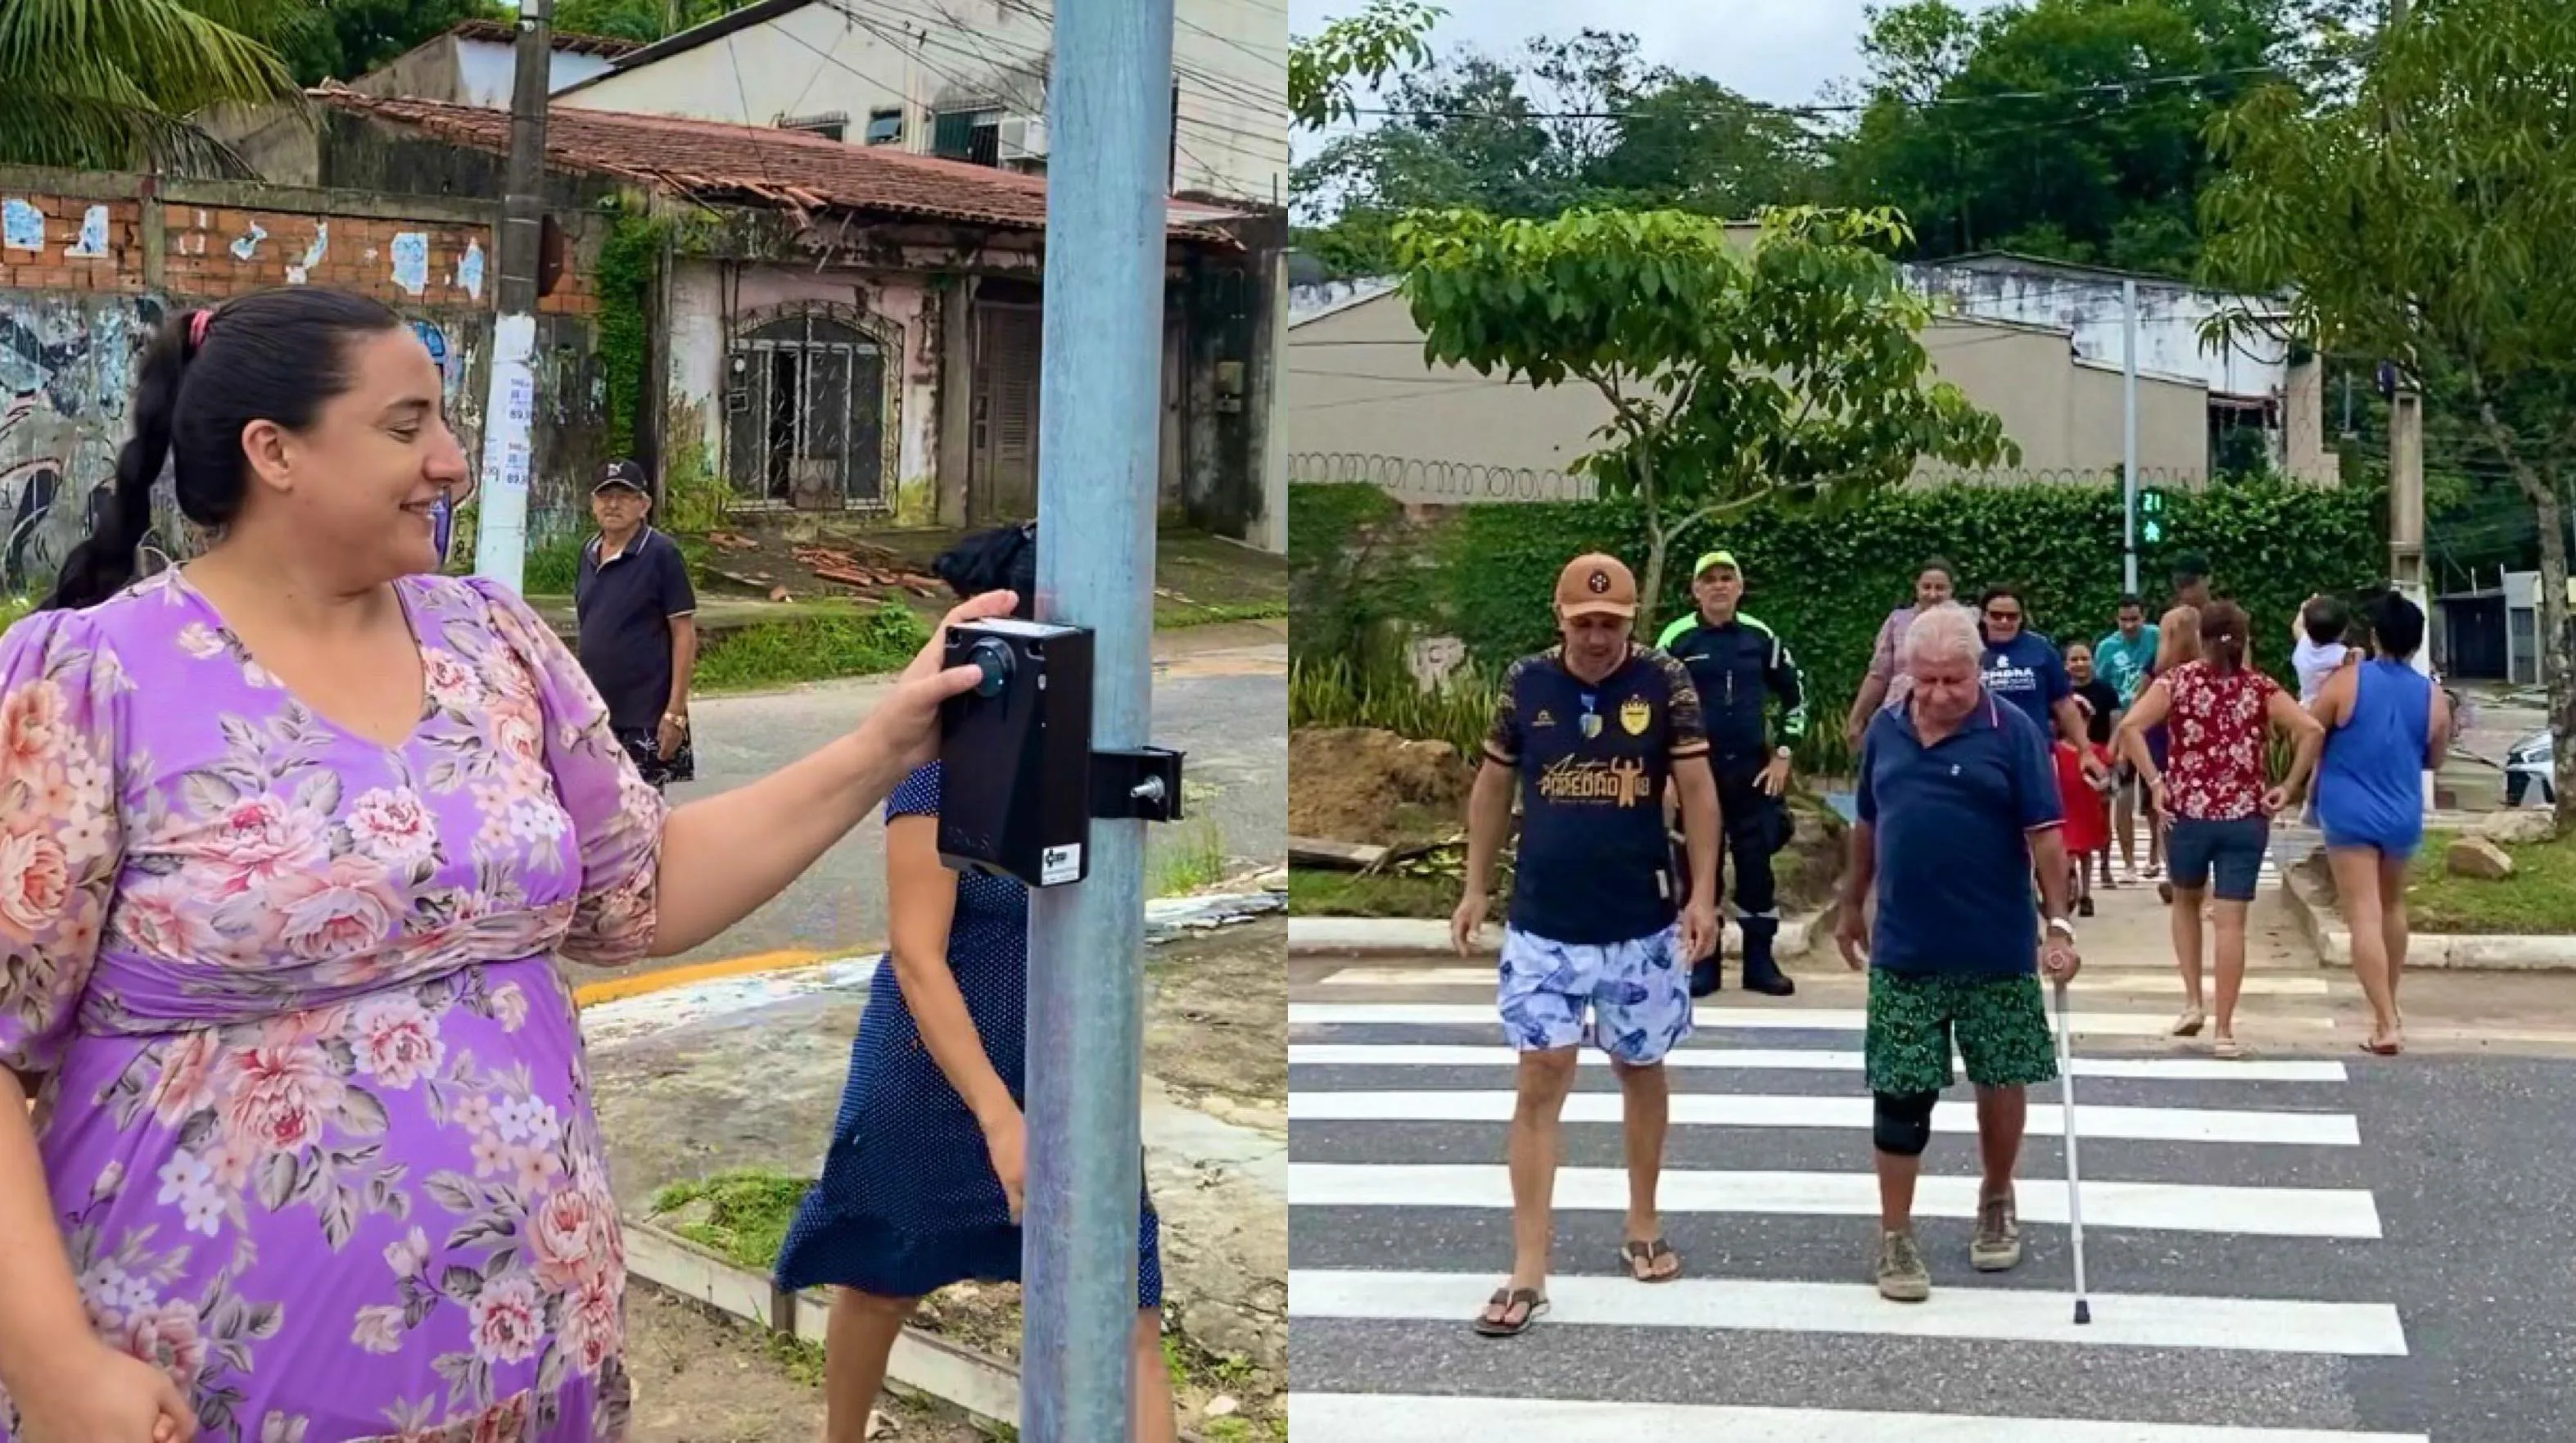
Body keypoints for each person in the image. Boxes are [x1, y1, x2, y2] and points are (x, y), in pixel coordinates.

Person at [0, 288, 1001, 1443]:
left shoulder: (490, 638)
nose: (450, 462)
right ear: (273, 451)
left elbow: (648, 888)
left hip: (526, 1358)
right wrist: (56, 1362)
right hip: (200, 1373)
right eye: (404, 425)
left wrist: (887, 740)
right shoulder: (90, 680)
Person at [775, 525, 1175, 1443]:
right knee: (882, 1277)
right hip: (935, 1070)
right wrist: (1000, 1118)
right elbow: (917, 955)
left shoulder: (1100, 748)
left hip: (1068, 1066)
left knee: (1124, 1303)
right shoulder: (942, 763)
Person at [1452, 553, 1720, 1334]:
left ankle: (1641, 1221)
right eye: (1585, 624)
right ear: (1559, 617)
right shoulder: (1526, 682)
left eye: (1612, 624)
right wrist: (1475, 887)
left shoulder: (1664, 680)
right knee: (1541, 1077)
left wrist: (1704, 895)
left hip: (1639, 921)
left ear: (1631, 621)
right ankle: (1529, 1266)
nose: (1599, 638)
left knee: (1641, 1067)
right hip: (1544, 923)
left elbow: (1698, 791)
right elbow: (1494, 784)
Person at [1833, 602, 2080, 1305]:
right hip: (1905, 944)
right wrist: (1853, 901)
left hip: (1994, 943)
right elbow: (1869, 823)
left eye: (1955, 681)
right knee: (1901, 1091)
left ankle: (1997, 1195)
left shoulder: (2014, 733)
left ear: (1980, 672)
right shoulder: (1886, 728)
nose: (1939, 695)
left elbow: (2046, 838)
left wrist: (2059, 928)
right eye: (1927, 680)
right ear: (1908, 672)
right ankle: (1896, 1234)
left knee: (2001, 1078)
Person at [2114, 600, 2323, 1059]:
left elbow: (2131, 727)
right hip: (2245, 818)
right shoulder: (2260, 688)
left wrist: (2155, 780)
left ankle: (2193, 1002)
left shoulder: (2177, 683)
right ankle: (2225, 1030)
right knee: (2232, 924)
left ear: (2201, 638)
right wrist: (2287, 786)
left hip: (2187, 813)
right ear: (2245, 640)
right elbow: (2310, 730)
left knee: (2186, 904)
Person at [1656, 549, 1805, 997]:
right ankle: (1703, 963)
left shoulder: (1760, 638)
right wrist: (1664, 774)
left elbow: (1797, 695)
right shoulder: (1677, 639)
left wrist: (1783, 753)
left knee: (1756, 867)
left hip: (1752, 775)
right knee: (1697, 870)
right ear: (1696, 589)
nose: (1719, 586)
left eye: (1727, 578)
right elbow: (1651, 707)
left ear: (1739, 588)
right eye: (1710, 579)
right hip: (1694, 775)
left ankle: (1761, 964)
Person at [2310, 590, 2448, 1056]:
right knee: (2391, 908)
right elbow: (2435, 757)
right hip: (2402, 810)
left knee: (2363, 913)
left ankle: (2386, 1022)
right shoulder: (2433, 695)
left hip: (2349, 810)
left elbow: (2313, 732)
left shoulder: (2347, 682)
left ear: (2374, 635)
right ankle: (2389, 1005)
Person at [574, 459, 698, 791]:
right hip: (597, 712)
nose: (613, 504)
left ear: (644, 505)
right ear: (593, 504)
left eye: (624, 496)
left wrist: (675, 713)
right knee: (598, 809)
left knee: (642, 815)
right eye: (605, 496)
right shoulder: (588, 552)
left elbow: (683, 633)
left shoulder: (661, 554)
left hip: (645, 716)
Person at [1977, 585, 2106, 787]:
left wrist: (2085, 751)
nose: (2004, 621)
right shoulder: (1968, 649)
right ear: (1984, 616)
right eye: (1996, 615)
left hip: (2034, 755)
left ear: (2021, 618)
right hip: (1982, 755)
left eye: (2012, 616)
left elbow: (2064, 704)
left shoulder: (2040, 649)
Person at [1844, 558, 1955, 748]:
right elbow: (1878, 675)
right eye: (1927, 587)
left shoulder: (1967, 621)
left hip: (1949, 717)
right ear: (1916, 588)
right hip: (1898, 715)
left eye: (1940, 588)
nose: (1933, 594)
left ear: (1951, 590)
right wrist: (1857, 719)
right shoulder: (1898, 621)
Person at [2095, 595, 2160, 880]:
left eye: (2135, 619)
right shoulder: (2107, 648)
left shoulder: (2158, 638)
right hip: (2121, 724)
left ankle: (2155, 857)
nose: (2129, 625)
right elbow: (2101, 689)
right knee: (2122, 795)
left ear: (2144, 616)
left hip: (2154, 722)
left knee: (2154, 792)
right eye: (2124, 620)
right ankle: (2129, 862)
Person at [2060, 639, 2120, 909]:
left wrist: (2114, 766)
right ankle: (2071, 887)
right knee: (2068, 848)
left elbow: (2116, 726)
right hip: (2066, 800)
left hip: (2089, 795)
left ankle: (2087, 889)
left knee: (2090, 844)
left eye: (2085, 658)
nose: (2080, 664)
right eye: (2074, 659)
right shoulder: (2056, 748)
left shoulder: (2105, 692)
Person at [2291, 593, 2356, 705]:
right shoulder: (2342, 655)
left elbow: (2296, 626)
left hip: (2306, 705)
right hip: (2330, 708)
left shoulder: (2304, 644)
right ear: (2343, 633)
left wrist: (2304, 608)